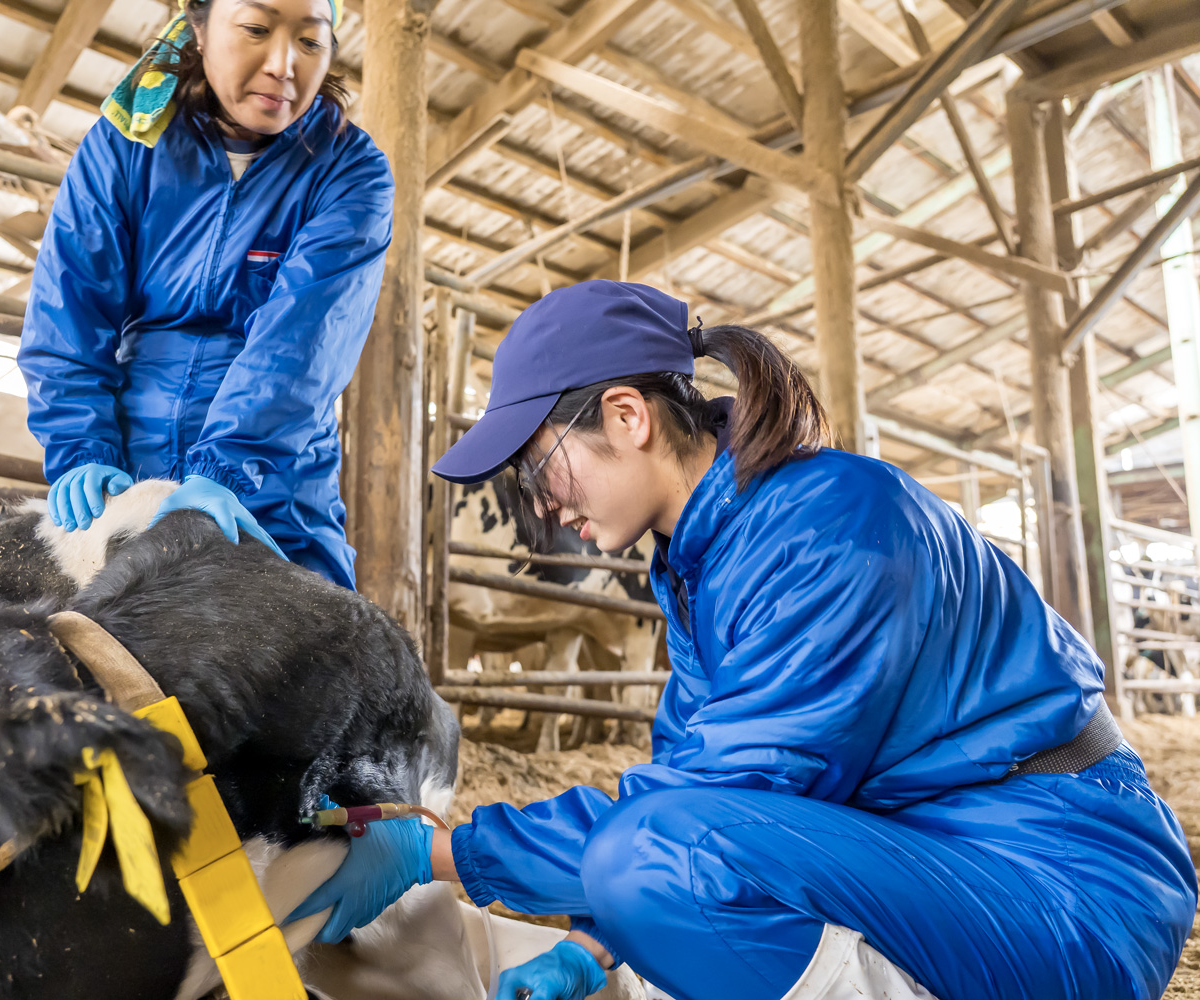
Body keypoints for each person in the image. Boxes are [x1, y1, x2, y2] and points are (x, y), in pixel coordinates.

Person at [287, 281, 1198, 1000]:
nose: (543, 507)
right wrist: (595, 949)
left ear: (627, 416)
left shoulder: (833, 525)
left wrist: (434, 852)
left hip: (1062, 886)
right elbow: (701, 795)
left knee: (647, 857)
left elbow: (708, 811)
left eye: (537, 467)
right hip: (947, 865)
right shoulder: (702, 564)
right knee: (646, 861)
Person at [18, 0, 392, 588]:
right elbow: (68, 309)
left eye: (310, 41)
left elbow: (302, 345)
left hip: (271, 481)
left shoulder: (350, 170)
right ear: (198, 27)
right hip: (125, 477)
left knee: (321, 657)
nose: (283, 64)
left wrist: (227, 469)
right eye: (256, 29)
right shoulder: (125, 143)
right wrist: (83, 449)